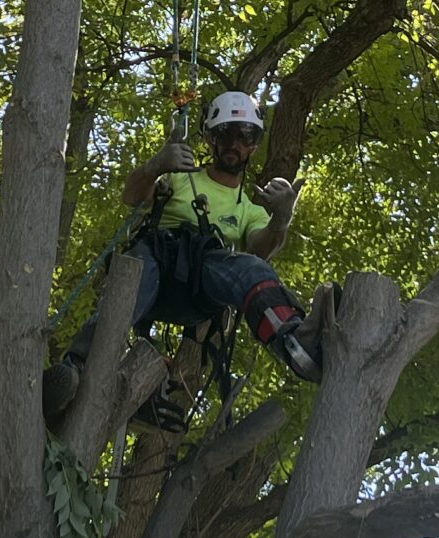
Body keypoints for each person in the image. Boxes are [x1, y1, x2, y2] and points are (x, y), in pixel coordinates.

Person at [49, 93, 319, 421]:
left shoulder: (247, 209)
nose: (234, 143)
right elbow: (132, 196)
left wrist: (281, 217)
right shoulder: (178, 176)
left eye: (244, 135)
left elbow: (261, 250)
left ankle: (292, 339)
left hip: (199, 285)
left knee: (249, 267)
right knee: (133, 272)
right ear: (210, 138)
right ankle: (74, 372)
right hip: (154, 266)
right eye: (225, 134)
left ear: (254, 145)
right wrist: (155, 166)